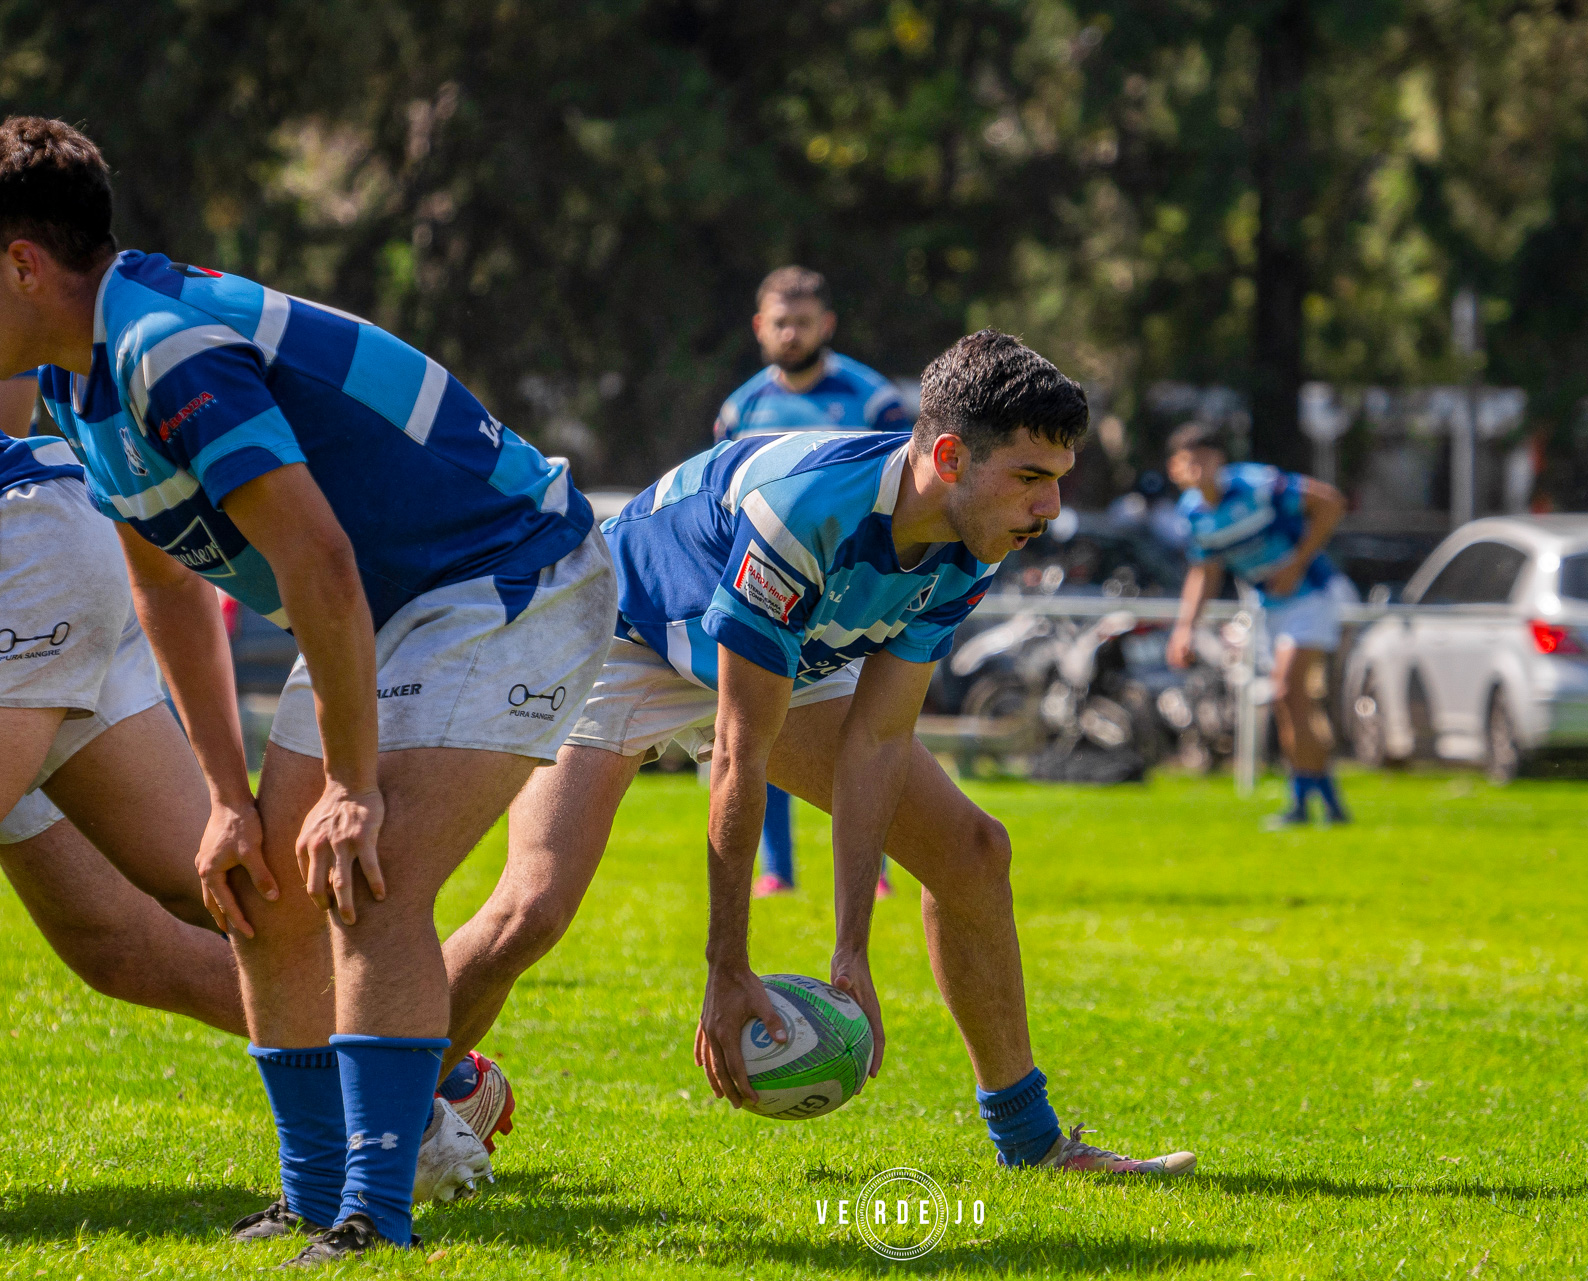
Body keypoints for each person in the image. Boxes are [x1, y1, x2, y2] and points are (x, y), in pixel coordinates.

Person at [0, 117, 614, 1264]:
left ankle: (370, 1222)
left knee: (366, 885)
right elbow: (166, 585)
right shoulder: (74, 378)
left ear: (23, 263)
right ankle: (308, 1193)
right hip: (390, 604)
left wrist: (351, 783)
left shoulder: (160, 349)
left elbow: (318, 560)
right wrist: (227, 798)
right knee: (266, 890)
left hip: (507, 578)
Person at [435, 330, 1197, 1176]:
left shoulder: (973, 539)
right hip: (625, 633)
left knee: (972, 852)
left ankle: (1032, 1141)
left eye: (1057, 482)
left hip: (787, 649)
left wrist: (852, 950)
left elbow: (876, 740)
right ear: (948, 456)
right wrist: (729, 965)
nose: (1048, 510)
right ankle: (403, 1095)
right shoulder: (804, 509)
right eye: (1030, 478)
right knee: (530, 910)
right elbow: (738, 750)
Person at [0, 371, 511, 1218]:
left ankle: (395, 1091)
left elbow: (15, 389)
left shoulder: (122, 336)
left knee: (246, 895)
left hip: (25, 540)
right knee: (151, 928)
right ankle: (417, 1079)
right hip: (58, 537)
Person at [714, 264, 907, 899]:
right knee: (759, 722)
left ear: (826, 324)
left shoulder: (874, 399)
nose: (791, 333)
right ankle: (778, 871)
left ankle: (870, 871)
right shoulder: (741, 407)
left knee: (864, 728)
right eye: (780, 322)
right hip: (772, 584)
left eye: (802, 321)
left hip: (857, 582)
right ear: (759, 327)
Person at [1164, 421, 1353, 826]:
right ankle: (1326, 802)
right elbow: (1205, 571)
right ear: (1174, 469)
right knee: (1291, 704)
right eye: (1188, 461)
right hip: (1269, 606)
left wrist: (1296, 562)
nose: (1197, 468)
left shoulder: (1256, 485)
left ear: (1219, 460)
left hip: (1314, 594)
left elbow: (1331, 502)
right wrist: (1185, 629)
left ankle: (1302, 804)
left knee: (1287, 691)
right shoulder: (1193, 514)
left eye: (1204, 458)